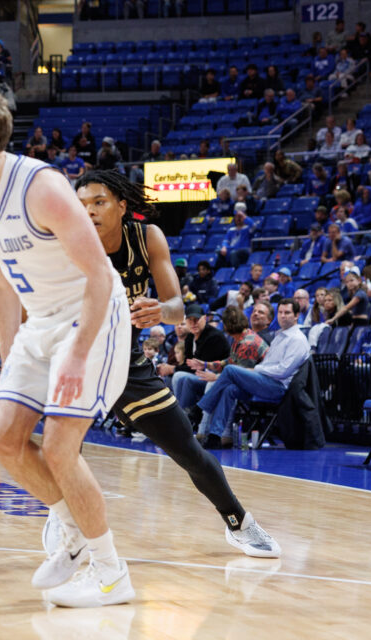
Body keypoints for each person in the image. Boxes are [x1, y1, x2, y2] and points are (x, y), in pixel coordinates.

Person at [0, 87, 136, 607]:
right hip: (40, 322)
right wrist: (7, 358)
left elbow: (100, 278)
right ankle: (70, 527)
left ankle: (112, 574)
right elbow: (0, 287)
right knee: (2, 438)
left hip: (91, 317)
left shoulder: (40, 187)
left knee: (60, 448)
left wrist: (76, 352)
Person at [62, 171, 279, 555]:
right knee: (60, 452)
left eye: (99, 202)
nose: (89, 211)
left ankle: (238, 522)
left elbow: (179, 308)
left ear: (122, 206)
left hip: (123, 364)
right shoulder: (64, 242)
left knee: (187, 450)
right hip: (72, 359)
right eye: (82, 205)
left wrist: (160, 310)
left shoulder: (147, 239)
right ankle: (64, 529)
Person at [195, 301, 310, 446]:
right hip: (263, 382)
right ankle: (215, 436)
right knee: (229, 390)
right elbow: (266, 364)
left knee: (231, 370)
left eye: (287, 313)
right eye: (280, 312)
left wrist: (257, 369)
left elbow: (283, 371)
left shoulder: (297, 339)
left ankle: (198, 410)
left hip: (278, 388)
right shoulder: (279, 336)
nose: (283, 316)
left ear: (297, 316)